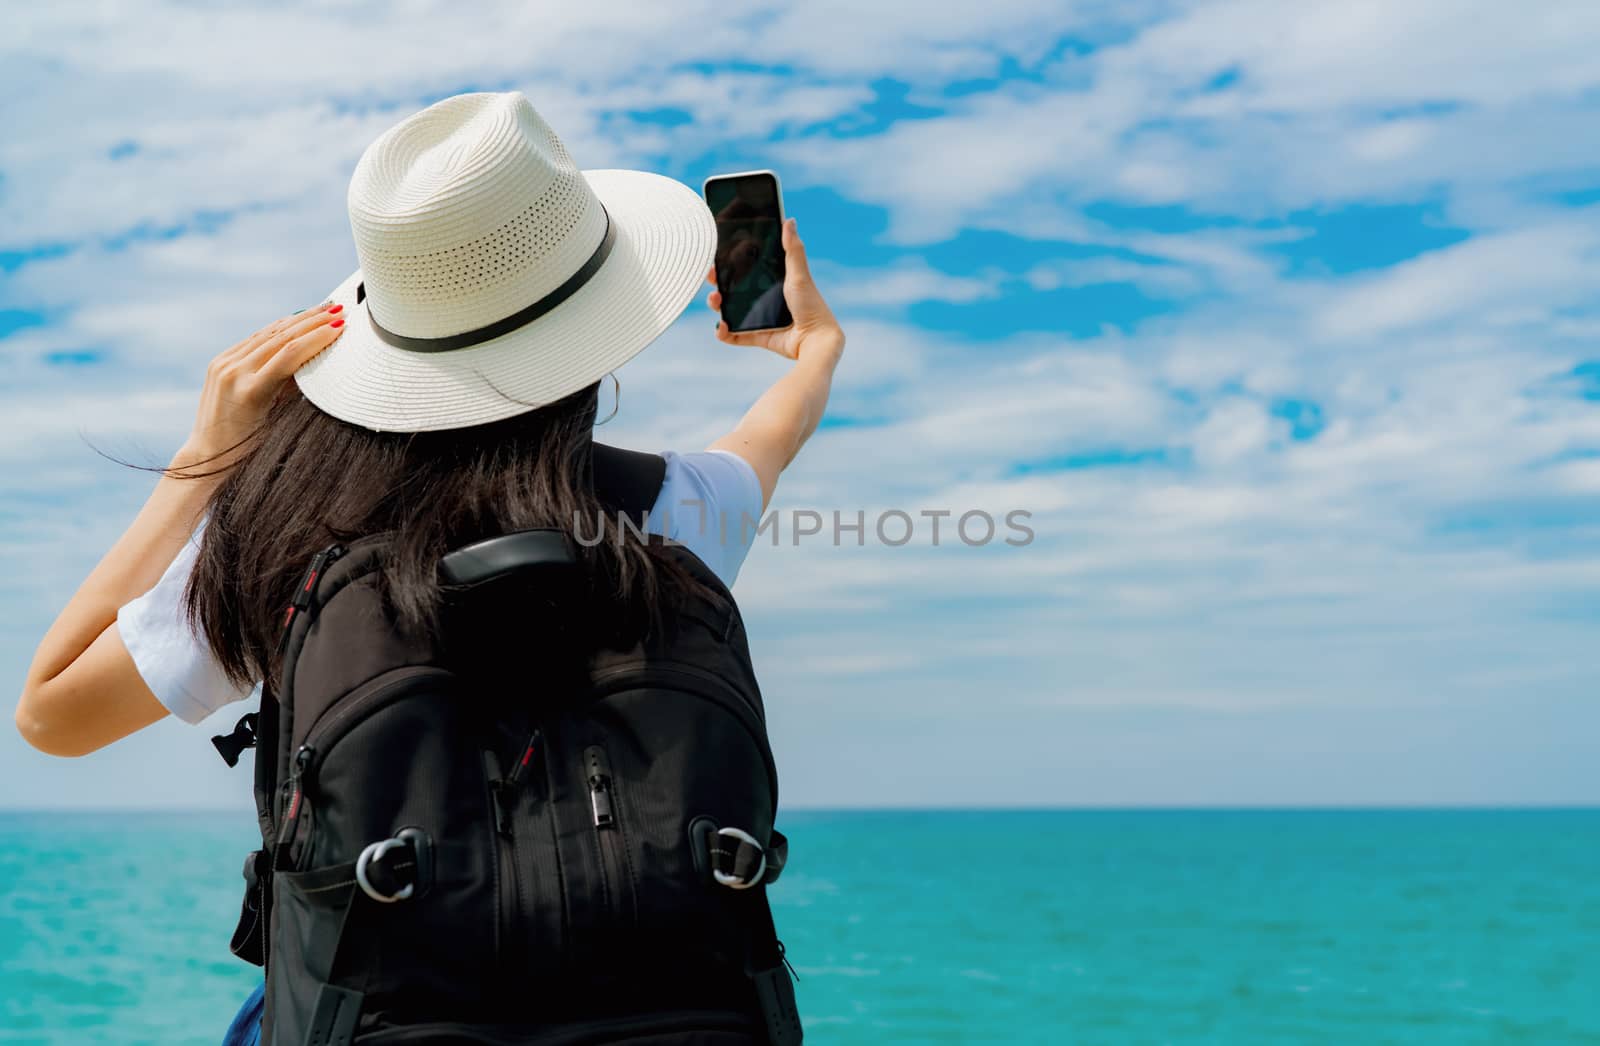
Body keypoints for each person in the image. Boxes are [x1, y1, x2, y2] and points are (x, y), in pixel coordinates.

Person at [15, 91, 844, 1044]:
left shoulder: (287, 548)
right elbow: (769, 441)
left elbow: (51, 713)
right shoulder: (671, 514)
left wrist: (205, 460)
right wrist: (811, 355)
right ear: (597, 324)